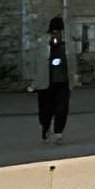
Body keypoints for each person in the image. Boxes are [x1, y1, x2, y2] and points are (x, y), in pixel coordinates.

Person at [37, 14, 72, 142]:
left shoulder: (67, 46)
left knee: (62, 108)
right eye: (53, 32)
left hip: (63, 82)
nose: (56, 35)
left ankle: (58, 132)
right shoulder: (44, 45)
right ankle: (45, 128)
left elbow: (72, 62)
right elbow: (38, 61)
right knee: (46, 110)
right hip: (47, 82)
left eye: (58, 32)